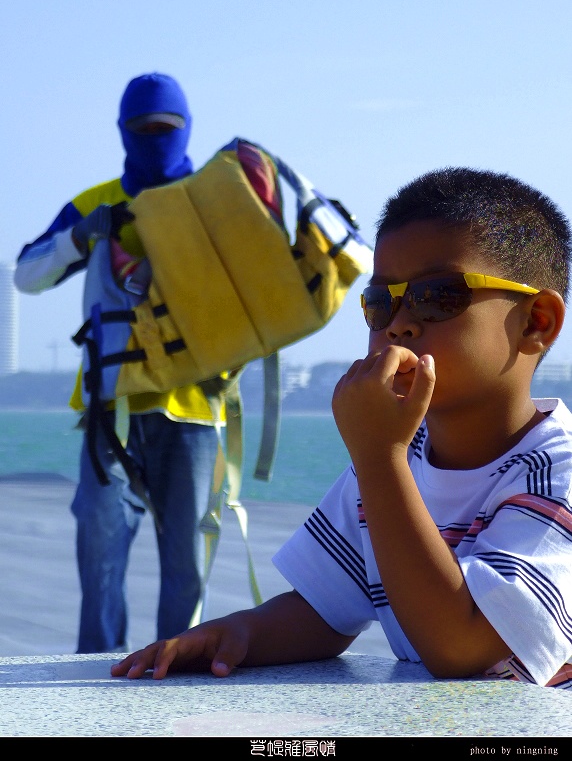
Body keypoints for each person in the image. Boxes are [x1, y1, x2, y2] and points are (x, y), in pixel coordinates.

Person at [110, 167, 572, 690]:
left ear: (537, 321)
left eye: (439, 296)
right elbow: (324, 610)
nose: (399, 324)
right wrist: (235, 634)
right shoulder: (397, 458)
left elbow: (460, 646)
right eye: (381, 303)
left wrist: (379, 457)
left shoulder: (552, 476)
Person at [15, 72, 222, 653]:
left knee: (190, 563)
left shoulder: (214, 201)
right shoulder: (96, 202)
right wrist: (78, 238)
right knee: (99, 551)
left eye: (166, 128)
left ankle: (175, 670)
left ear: (186, 129)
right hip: (112, 410)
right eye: (143, 128)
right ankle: (97, 673)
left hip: (196, 409)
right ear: (122, 132)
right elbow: (27, 275)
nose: (155, 137)